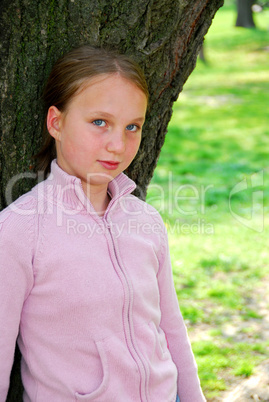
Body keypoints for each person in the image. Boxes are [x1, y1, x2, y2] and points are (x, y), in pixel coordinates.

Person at [0, 45, 206, 402]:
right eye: (100, 122)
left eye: (132, 127)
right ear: (56, 122)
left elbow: (170, 330)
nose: (117, 144)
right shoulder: (20, 230)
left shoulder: (145, 221)